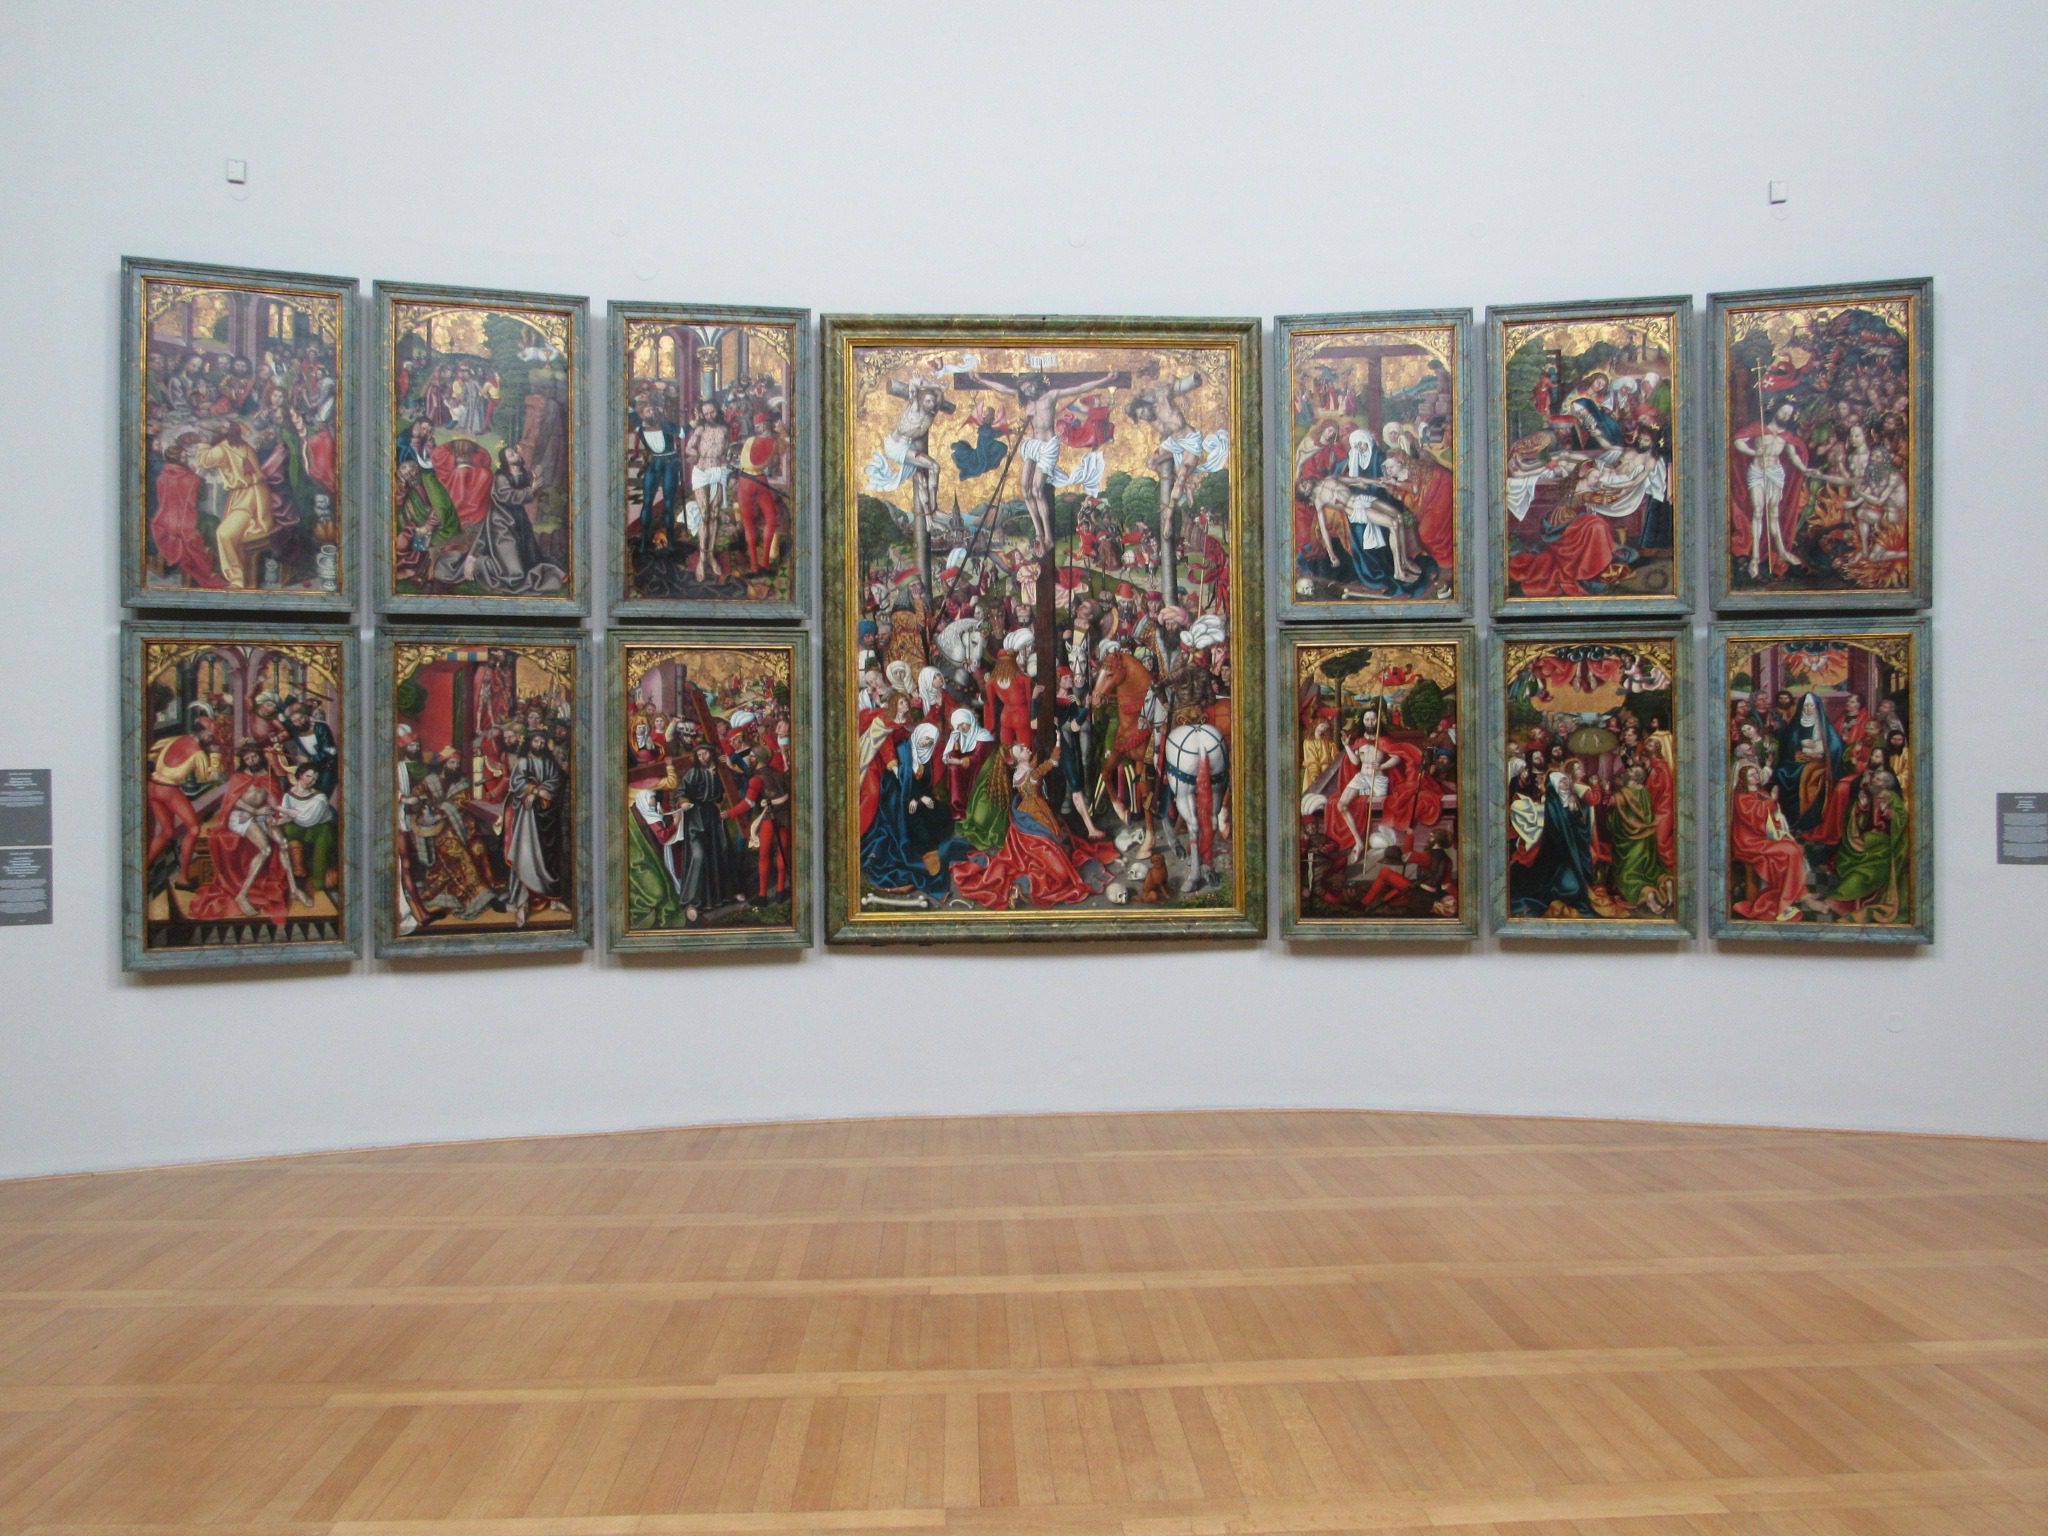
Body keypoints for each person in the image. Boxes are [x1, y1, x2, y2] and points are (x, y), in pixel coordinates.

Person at [443, 446, 565, 594]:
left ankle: (547, 573)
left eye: (515, 452)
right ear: (505, 461)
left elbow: (530, 493)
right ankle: (480, 564)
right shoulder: (501, 477)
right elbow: (508, 496)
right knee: (514, 575)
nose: (516, 454)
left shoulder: (522, 473)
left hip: (519, 522)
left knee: (531, 562)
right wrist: (531, 490)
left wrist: (535, 481)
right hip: (501, 524)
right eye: (511, 454)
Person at [195, 421, 274, 589]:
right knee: (230, 530)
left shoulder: (223, 449)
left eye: (223, 428)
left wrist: (204, 442)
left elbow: (204, 460)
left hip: (248, 499)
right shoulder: (245, 446)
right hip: (258, 495)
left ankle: (237, 579)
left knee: (224, 533)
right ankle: (239, 574)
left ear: (226, 434)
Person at [1729, 762, 1811, 922]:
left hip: (1764, 837)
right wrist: (1772, 800)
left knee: (1795, 848)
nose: (1756, 776)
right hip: (1749, 842)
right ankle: (1783, 904)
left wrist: (1777, 825)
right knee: (1790, 851)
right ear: (1743, 778)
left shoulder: (1760, 791)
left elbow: (1772, 816)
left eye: (1756, 773)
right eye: (1751, 775)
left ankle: (1795, 893)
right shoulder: (1740, 797)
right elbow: (1755, 816)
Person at [669, 742, 741, 920]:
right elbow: (680, 792)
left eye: (705, 754)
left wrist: (731, 767)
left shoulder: (721, 771)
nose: (702, 757)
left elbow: (736, 785)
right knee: (698, 855)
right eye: (699, 755)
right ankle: (691, 903)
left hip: (714, 817)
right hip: (695, 817)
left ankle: (732, 891)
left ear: (711, 754)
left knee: (723, 850)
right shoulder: (694, 772)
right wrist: (684, 801)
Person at [501, 730, 565, 927]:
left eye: (542, 741)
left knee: (548, 857)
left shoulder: (549, 762)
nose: (539, 744)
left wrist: (539, 792)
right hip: (527, 817)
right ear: (530, 742)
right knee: (525, 855)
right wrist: (535, 791)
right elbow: (516, 783)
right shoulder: (523, 762)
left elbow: (556, 781)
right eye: (536, 741)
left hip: (547, 816)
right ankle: (522, 903)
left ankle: (553, 900)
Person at [149, 434, 221, 587]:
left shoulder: (161, 477)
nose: (186, 458)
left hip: (163, 521)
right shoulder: (191, 478)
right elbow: (201, 497)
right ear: (178, 460)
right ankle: (215, 567)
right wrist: (200, 476)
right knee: (214, 521)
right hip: (183, 522)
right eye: (184, 457)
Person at [627, 394, 683, 555]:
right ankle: (644, 541)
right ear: (642, 414)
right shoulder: (639, 425)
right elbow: (629, 408)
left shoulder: (665, 425)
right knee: (647, 502)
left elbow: (683, 433)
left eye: (652, 410)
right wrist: (637, 399)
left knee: (668, 504)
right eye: (647, 411)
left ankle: (670, 542)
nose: (651, 412)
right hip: (655, 463)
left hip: (670, 463)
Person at [685, 400, 733, 583]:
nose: (709, 416)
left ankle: (711, 555)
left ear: (717, 411)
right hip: (701, 472)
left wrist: (728, 460)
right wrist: (695, 454)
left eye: (712, 412)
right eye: (706, 414)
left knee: (714, 514)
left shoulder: (725, 429)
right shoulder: (700, 429)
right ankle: (702, 558)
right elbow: (689, 448)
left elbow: (727, 450)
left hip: (717, 472)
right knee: (704, 514)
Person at [734, 412, 787, 575]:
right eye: (756, 424)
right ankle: (762, 564)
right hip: (757, 481)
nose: (756, 427)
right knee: (767, 519)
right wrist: (782, 433)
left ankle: (757, 565)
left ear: (764, 424)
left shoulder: (754, 440)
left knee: (755, 522)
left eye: (758, 424)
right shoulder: (773, 442)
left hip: (747, 481)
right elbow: (783, 446)